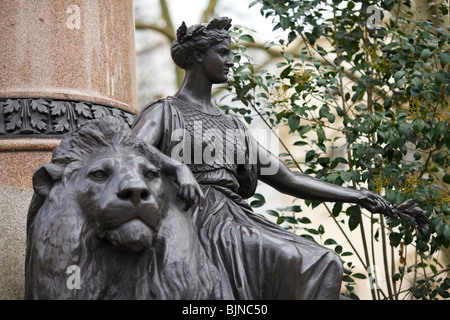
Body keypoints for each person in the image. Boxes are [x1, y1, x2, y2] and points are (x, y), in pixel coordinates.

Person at [131, 17, 391, 300]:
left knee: (324, 260)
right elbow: (128, 145)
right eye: (222, 52)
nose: (231, 61)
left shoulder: (233, 126)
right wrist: (177, 167)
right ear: (197, 55)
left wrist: (357, 196)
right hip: (197, 216)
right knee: (297, 258)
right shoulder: (165, 111)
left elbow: (288, 178)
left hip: (234, 216)